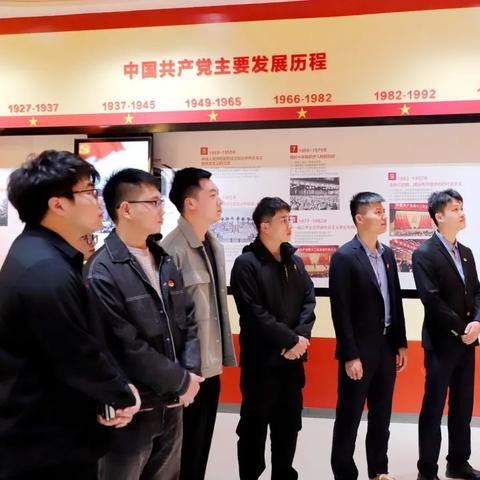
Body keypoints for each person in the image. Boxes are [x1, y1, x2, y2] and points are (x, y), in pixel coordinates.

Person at [0, 150, 140, 480]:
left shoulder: (40, 254)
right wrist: (121, 394)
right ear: (58, 205)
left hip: (48, 437)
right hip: (45, 448)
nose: (98, 201)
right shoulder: (45, 270)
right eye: (89, 192)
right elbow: (76, 353)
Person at [84, 169, 202, 480]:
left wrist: (190, 375)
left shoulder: (164, 260)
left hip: (172, 406)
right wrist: (181, 380)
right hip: (132, 411)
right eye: (152, 202)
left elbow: (189, 320)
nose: (161, 208)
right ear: (126, 209)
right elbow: (126, 345)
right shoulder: (102, 270)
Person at [230, 197, 316, 480]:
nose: (289, 225)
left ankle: (284, 473)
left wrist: (300, 338)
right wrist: (290, 340)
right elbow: (254, 313)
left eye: (289, 219)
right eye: (283, 220)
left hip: (292, 364)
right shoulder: (246, 264)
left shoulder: (294, 262)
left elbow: (308, 300)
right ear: (264, 226)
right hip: (261, 364)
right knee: (254, 428)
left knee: (289, 425)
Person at [161, 167, 236, 480]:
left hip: (210, 369)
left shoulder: (213, 246)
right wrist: (180, 375)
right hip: (187, 375)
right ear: (190, 203)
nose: (220, 201)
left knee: (200, 452)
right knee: (183, 458)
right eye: (212, 194)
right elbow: (167, 321)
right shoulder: (171, 251)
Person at [329, 192, 408, 480]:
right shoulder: (344, 257)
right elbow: (340, 311)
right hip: (359, 351)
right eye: (377, 211)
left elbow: (395, 299)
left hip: (386, 346)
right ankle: (344, 474)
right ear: (359, 218)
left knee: (381, 415)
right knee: (349, 417)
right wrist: (350, 355)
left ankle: (378, 470)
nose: (383, 216)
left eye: (383, 210)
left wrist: (401, 343)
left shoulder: (387, 254)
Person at [412, 190, 480, 480]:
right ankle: (427, 469)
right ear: (439, 216)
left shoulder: (466, 252)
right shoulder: (423, 254)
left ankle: (458, 462)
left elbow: (477, 292)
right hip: (441, 344)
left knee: (463, 406)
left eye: (462, 207)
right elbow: (431, 299)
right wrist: (462, 328)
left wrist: (477, 322)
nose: (462, 213)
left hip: (467, 343)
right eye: (455, 209)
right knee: (434, 406)